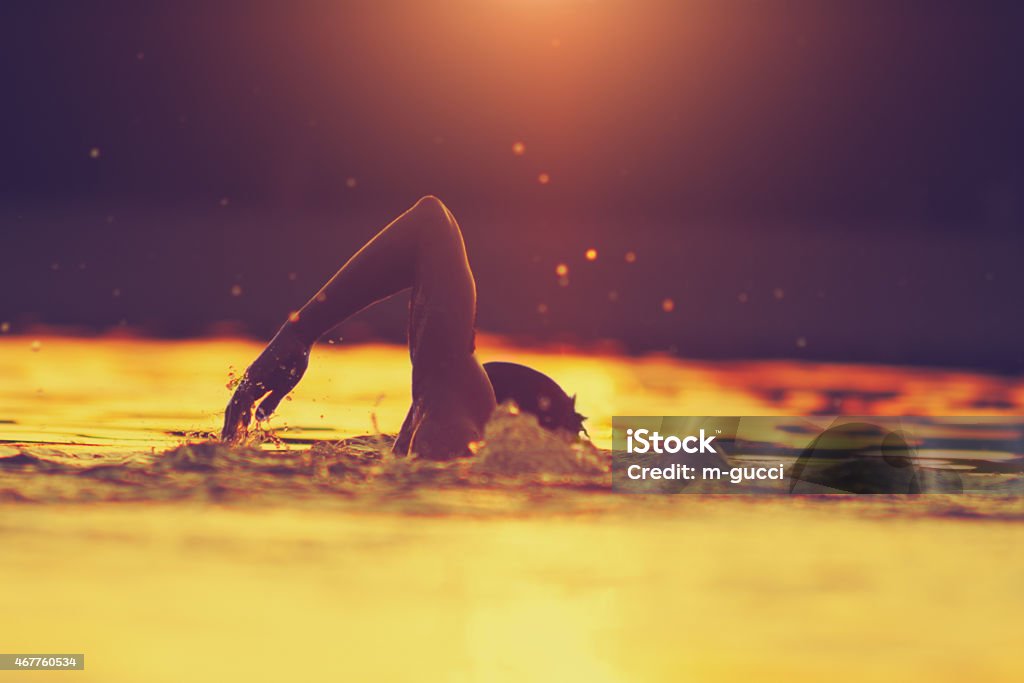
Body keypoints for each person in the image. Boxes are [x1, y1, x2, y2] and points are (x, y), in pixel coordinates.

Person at [221, 196, 586, 459]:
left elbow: (432, 221)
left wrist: (299, 333)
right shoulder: (440, 459)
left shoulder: (453, 423)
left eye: (479, 381)